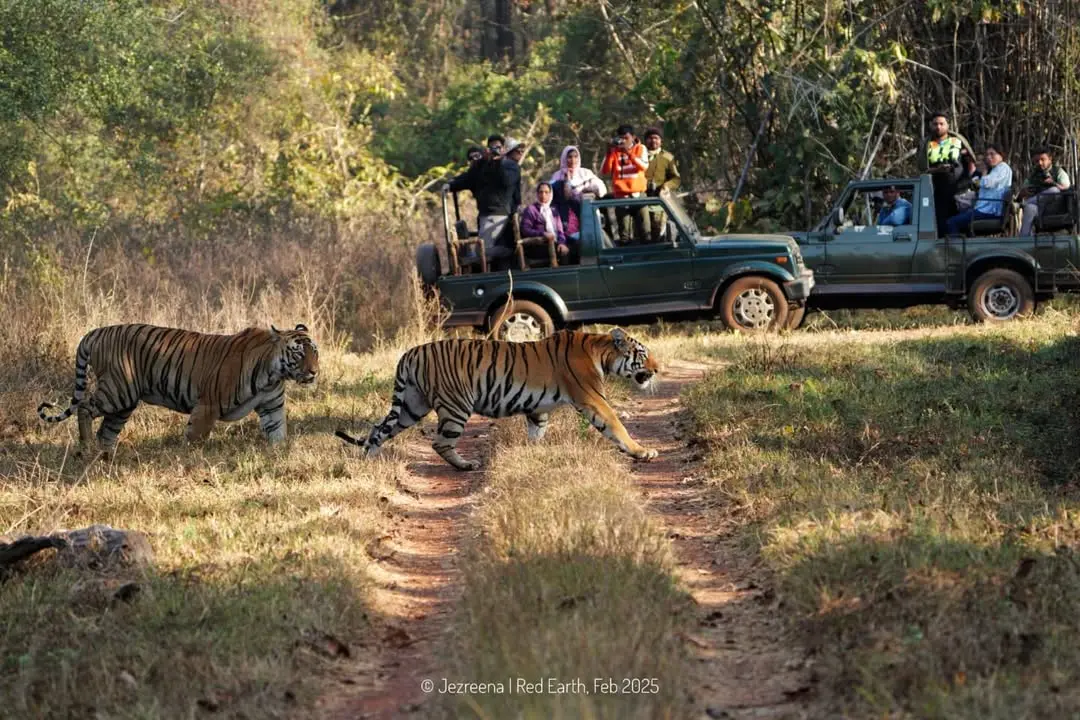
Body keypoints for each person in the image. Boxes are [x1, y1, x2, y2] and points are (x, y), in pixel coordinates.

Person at [945, 144, 1012, 236]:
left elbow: (987, 183)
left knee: (951, 222)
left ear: (1001, 155)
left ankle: (956, 249)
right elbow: (979, 185)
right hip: (984, 208)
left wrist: (983, 172)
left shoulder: (1003, 168)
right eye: (987, 155)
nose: (989, 157)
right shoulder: (995, 169)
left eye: (992, 154)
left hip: (989, 210)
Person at [601, 124, 650, 243]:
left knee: (645, 232)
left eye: (626, 138)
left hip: (638, 195)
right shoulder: (615, 151)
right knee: (624, 236)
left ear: (633, 137)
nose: (624, 140)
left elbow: (644, 166)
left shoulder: (640, 148)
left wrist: (628, 153)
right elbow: (605, 171)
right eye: (621, 138)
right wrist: (609, 153)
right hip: (621, 197)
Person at [549, 145, 605, 244]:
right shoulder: (557, 175)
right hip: (564, 214)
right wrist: (565, 183)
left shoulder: (585, 173)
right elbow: (548, 193)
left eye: (575, 156)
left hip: (585, 212)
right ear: (564, 158)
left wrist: (585, 188)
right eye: (569, 157)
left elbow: (602, 190)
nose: (573, 160)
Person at [924, 113, 967, 237]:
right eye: (935, 124)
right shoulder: (926, 145)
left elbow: (970, 161)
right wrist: (938, 169)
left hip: (958, 189)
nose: (938, 127)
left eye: (941, 124)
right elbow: (923, 169)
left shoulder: (958, 141)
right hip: (936, 190)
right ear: (931, 126)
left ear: (948, 125)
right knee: (940, 222)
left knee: (959, 221)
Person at [1019, 147, 1072, 236]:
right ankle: (1024, 240)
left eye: (1043, 159)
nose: (1040, 163)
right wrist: (1026, 191)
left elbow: (1066, 187)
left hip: (1056, 206)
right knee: (1030, 207)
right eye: (1037, 161)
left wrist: (1053, 183)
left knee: (1054, 190)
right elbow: (1024, 189)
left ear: (1050, 159)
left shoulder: (1058, 171)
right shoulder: (1033, 175)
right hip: (1039, 206)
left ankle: (1024, 203)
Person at [642, 127, 681, 241]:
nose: (653, 141)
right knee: (642, 234)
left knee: (658, 233)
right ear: (645, 140)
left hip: (660, 203)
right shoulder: (638, 155)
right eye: (650, 138)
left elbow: (676, 179)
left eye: (656, 138)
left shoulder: (667, 157)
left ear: (661, 141)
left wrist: (666, 186)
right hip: (640, 201)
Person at [519, 181, 570, 261]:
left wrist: (562, 243)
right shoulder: (531, 210)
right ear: (537, 193)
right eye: (541, 192)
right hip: (538, 245)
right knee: (563, 253)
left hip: (554, 242)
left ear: (550, 194)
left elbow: (560, 231)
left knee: (574, 247)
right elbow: (525, 230)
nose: (543, 195)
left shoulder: (553, 210)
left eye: (546, 192)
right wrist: (542, 233)